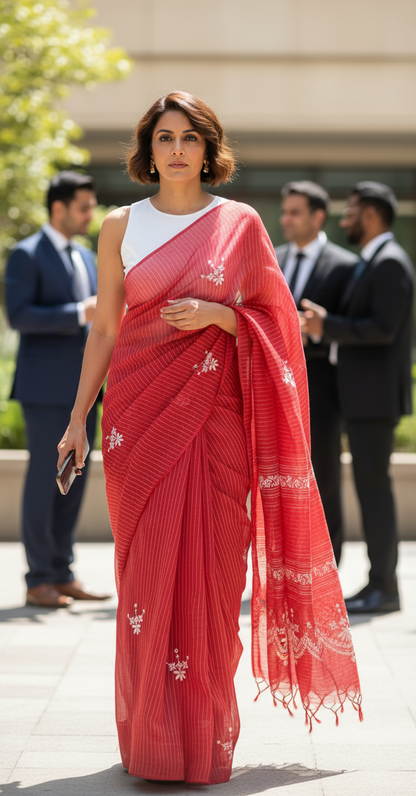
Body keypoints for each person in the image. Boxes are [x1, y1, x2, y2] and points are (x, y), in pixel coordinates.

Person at [57, 92, 361, 785]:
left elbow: (277, 323)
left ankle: (202, 742)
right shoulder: (118, 226)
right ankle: (150, 746)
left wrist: (225, 318)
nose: (176, 150)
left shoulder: (239, 225)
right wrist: (78, 417)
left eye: (190, 138)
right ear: (148, 147)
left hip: (216, 421)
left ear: (208, 147)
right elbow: (104, 327)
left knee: (215, 588)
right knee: (143, 581)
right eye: (163, 137)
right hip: (138, 418)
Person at [301, 181, 414, 614]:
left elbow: (381, 328)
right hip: (363, 397)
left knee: (374, 490)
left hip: (375, 399)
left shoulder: (390, 263)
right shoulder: (374, 261)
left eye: (349, 213)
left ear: (370, 216)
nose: (343, 220)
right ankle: (377, 583)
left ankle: (384, 587)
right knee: (369, 489)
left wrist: (326, 326)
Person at [5, 171, 110, 608]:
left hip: (86, 391)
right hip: (46, 390)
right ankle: (39, 578)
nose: (90, 215)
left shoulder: (87, 256)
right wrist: (78, 313)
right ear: (59, 208)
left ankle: (63, 573)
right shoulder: (26, 255)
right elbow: (19, 316)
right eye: (84, 207)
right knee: (44, 483)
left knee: (75, 480)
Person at [275, 181, 357, 563]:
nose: (285, 219)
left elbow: (350, 327)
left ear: (318, 216)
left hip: (321, 387)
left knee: (323, 477)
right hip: (272, 384)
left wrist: (319, 332)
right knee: (275, 479)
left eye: (294, 212)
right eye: (285, 211)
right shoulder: (271, 258)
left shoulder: (345, 266)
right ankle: (284, 567)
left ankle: (328, 570)